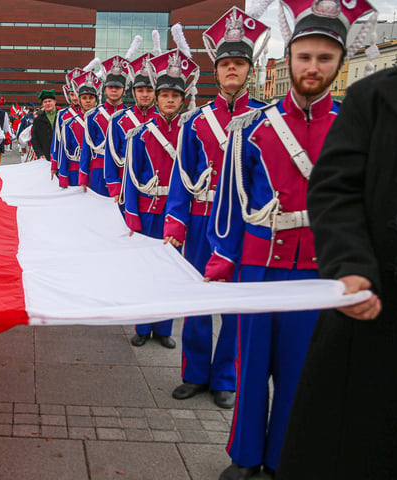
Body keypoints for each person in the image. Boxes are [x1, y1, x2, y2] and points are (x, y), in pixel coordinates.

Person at [204, 0, 377, 476]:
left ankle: (285, 456)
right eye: (305, 57)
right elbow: (232, 202)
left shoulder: (353, 128)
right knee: (252, 367)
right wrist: (222, 258)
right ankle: (245, 457)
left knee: (303, 375)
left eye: (325, 58)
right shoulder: (252, 127)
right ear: (290, 59)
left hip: (321, 269)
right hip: (259, 266)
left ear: (340, 63)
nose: (313, 67)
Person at [277, 66, 397, 480]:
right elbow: (335, 190)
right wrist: (350, 264)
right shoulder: (376, 97)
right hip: (375, 296)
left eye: (325, 56)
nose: (314, 67)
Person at [164, 8, 270, 410]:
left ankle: (226, 375)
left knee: (234, 306)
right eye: (225, 63)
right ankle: (194, 372)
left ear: (249, 69)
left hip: (243, 226)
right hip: (201, 220)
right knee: (196, 299)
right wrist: (175, 222)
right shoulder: (196, 121)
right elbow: (182, 177)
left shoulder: (262, 119)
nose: (231, 70)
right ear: (217, 69)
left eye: (238, 64)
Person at [124, 49, 199, 349]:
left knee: (170, 271)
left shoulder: (191, 131)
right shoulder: (141, 133)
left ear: (183, 99)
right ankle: (143, 325)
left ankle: (164, 327)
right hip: (148, 208)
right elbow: (131, 175)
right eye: (164, 94)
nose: (169, 100)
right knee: (147, 270)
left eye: (175, 96)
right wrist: (132, 213)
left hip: (176, 211)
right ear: (156, 97)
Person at [104, 52, 158, 206]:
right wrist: (115, 187)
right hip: (124, 185)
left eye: (149, 90)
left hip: (156, 188)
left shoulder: (164, 119)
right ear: (133, 92)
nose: (145, 95)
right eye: (140, 90)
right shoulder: (118, 120)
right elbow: (110, 155)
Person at [79, 56, 128, 195]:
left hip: (123, 170)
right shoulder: (93, 115)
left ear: (123, 91)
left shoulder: (129, 116)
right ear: (105, 90)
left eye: (117, 87)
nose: (114, 90)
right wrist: (83, 175)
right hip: (98, 170)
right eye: (110, 87)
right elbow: (86, 148)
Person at [58, 71, 100, 188]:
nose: (87, 101)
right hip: (74, 171)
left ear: (96, 99)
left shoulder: (103, 120)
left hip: (97, 172)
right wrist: (63, 177)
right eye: (84, 98)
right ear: (80, 100)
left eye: (91, 98)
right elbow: (64, 151)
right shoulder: (69, 123)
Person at [51, 72, 83, 175]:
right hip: (68, 161)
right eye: (71, 94)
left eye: (76, 94)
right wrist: (54, 164)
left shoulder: (92, 114)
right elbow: (56, 141)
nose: (74, 98)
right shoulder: (62, 114)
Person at [31, 90, 56, 163]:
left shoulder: (62, 116)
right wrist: (40, 154)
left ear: (55, 102)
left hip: (61, 155)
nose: (48, 103)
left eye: (49, 101)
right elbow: (34, 139)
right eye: (45, 102)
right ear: (42, 104)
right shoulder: (38, 120)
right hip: (45, 155)